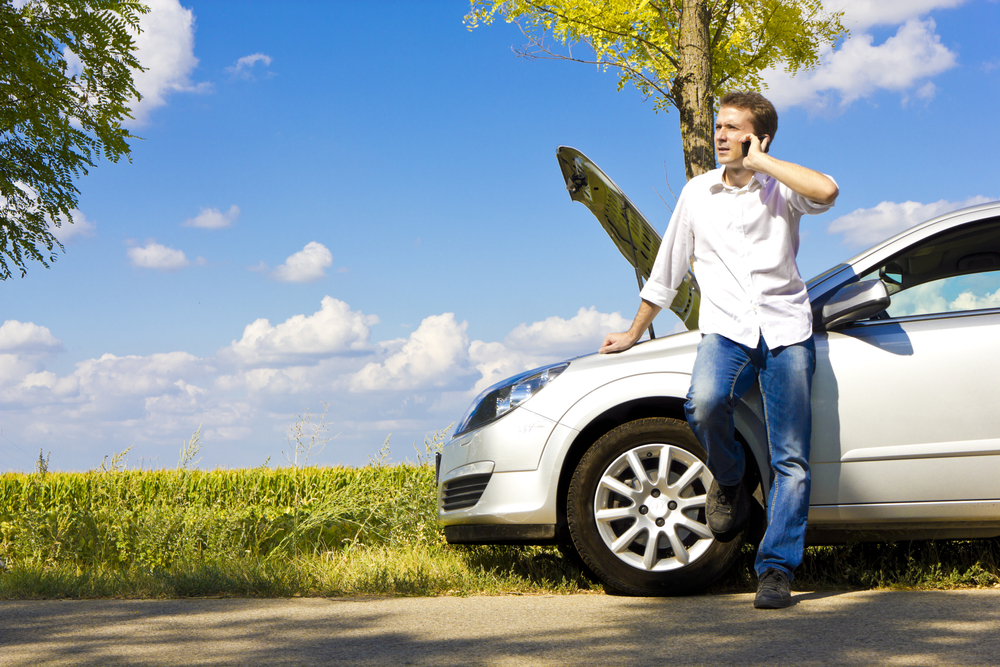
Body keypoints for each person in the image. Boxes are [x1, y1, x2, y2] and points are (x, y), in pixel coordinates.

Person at [599, 90, 838, 609]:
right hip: (727, 330)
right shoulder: (697, 193)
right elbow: (666, 270)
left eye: (733, 128)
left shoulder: (781, 189)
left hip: (786, 331)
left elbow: (827, 191)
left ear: (759, 136)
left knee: (790, 458)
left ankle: (776, 569)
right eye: (720, 127)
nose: (722, 136)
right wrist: (634, 331)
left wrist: (764, 162)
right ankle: (729, 479)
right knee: (704, 403)